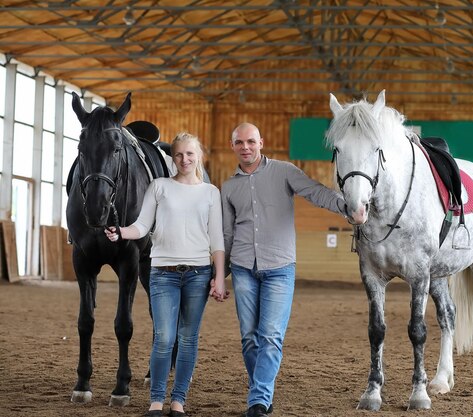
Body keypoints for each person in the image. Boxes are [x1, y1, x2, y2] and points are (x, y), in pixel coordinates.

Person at [222, 122, 346, 417]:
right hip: (242, 267)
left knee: (271, 335)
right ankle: (260, 393)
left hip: (279, 267)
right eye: (239, 142)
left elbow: (316, 193)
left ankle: (259, 399)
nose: (246, 147)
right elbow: (226, 234)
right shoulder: (228, 187)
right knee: (249, 337)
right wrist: (219, 274)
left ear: (261, 142)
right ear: (233, 146)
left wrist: (346, 205)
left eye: (251, 141)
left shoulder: (285, 171)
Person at [104, 132, 227, 417]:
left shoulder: (211, 193)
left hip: (198, 273)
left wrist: (219, 277)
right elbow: (142, 226)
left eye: (190, 154)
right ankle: (156, 401)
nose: (185, 159)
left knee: (188, 338)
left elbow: (217, 240)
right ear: (173, 158)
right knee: (164, 338)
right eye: (180, 155)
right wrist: (121, 232)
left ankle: (178, 401)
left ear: (199, 157)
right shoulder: (159, 187)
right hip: (162, 273)